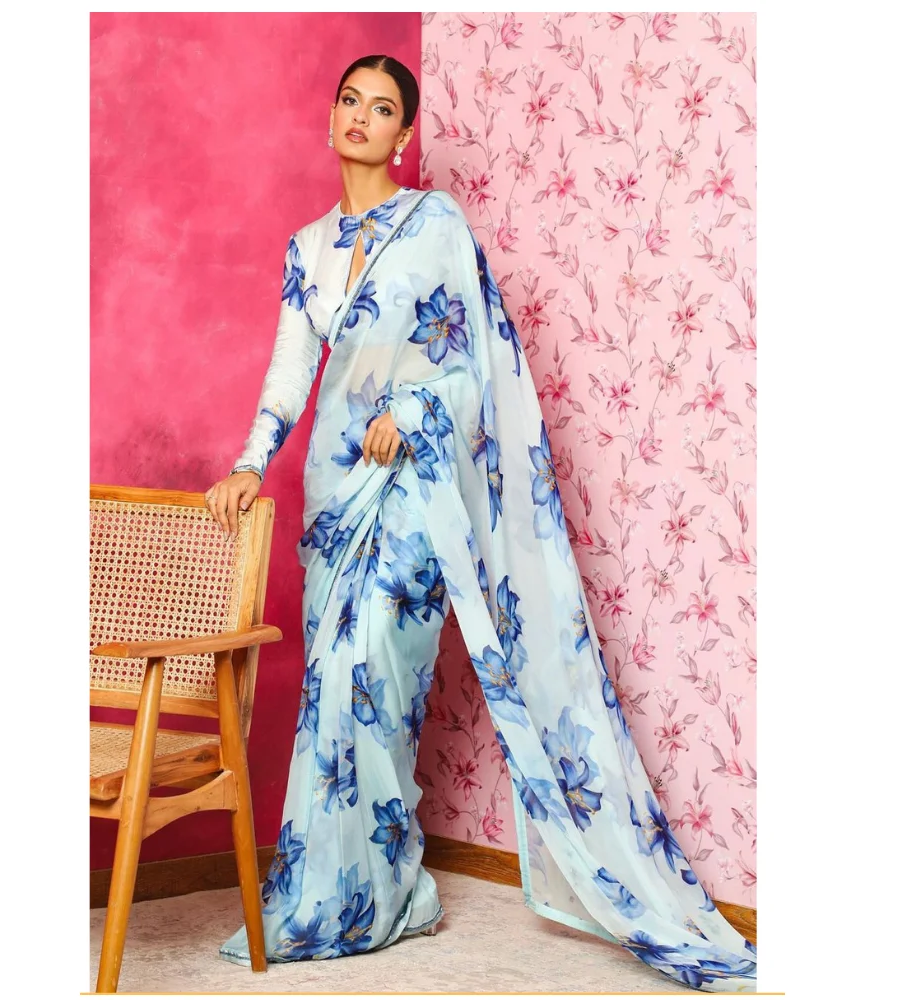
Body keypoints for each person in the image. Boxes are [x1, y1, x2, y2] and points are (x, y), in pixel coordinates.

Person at [205, 55, 756, 993]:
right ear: (332, 117)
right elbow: (291, 371)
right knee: (333, 687)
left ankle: (388, 892)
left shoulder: (436, 227)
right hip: (339, 495)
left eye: (383, 108)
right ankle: (350, 893)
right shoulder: (307, 248)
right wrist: (251, 462)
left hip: (417, 491)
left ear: (403, 136)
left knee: (380, 680)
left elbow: (480, 371)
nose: (361, 117)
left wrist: (412, 408)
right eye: (350, 101)